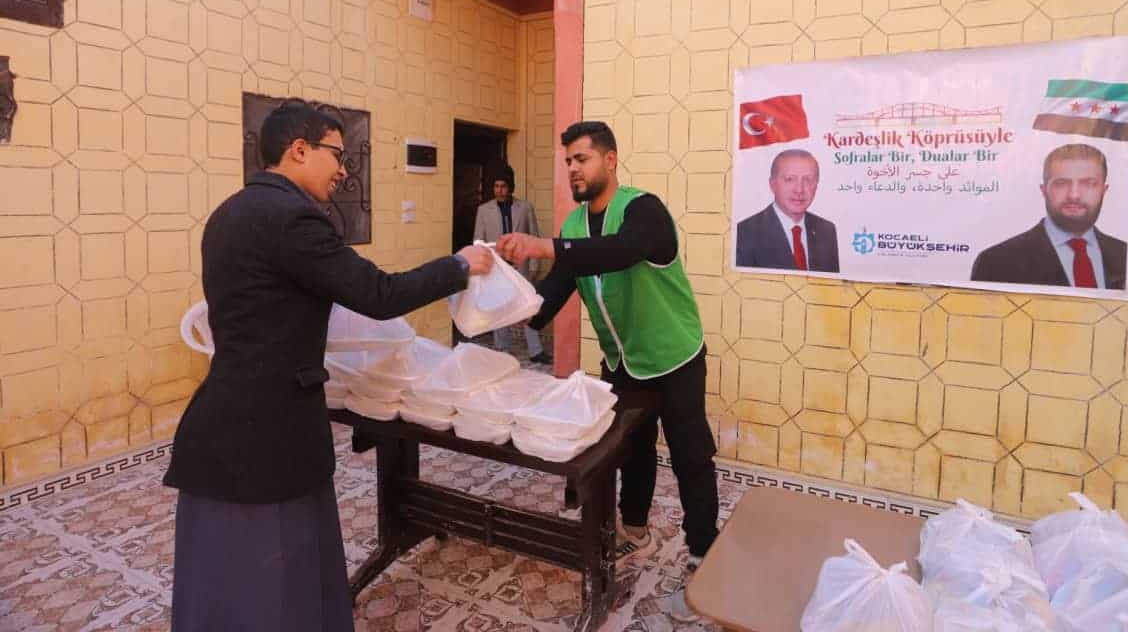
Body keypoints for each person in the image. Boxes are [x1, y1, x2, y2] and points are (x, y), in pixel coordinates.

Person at [163, 103, 493, 632]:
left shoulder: (228, 213)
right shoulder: (293, 218)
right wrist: (458, 265)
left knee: (225, 582)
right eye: (337, 154)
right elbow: (379, 294)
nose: (343, 169)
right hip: (267, 433)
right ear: (299, 150)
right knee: (273, 582)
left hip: (222, 420)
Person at [496, 121, 717, 624]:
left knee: (691, 456)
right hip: (623, 362)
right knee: (631, 451)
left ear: (610, 160)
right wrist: (505, 303)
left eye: (582, 159)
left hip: (675, 358)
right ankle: (634, 531)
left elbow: (622, 251)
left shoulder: (644, 210)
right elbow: (554, 292)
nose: (573, 169)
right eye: (568, 162)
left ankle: (703, 552)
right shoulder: (575, 226)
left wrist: (544, 246)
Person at [971, 142, 1126, 289]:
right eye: (1061, 183)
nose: (1074, 195)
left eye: (1089, 183)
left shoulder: (1126, 256)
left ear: (1104, 190)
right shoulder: (995, 262)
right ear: (1044, 190)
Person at [473, 163, 551, 364]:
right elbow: (478, 242)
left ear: (510, 187)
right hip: (497, 267)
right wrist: (482, 267)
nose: (499, 190)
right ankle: (503, 350)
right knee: (500, 308)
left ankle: (536, 351)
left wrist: (534, 266)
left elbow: (534, 236)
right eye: (496, 186)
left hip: (521, 266)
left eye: (503, 186)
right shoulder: (484, 210)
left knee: (528, 306)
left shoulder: (524, 208)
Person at [735, 148, 839, 272]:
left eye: (807, 180)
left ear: (816, 186)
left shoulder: (826, 231)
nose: (799, 190)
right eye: (790, 179)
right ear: (772, 184)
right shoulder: (745, 233)